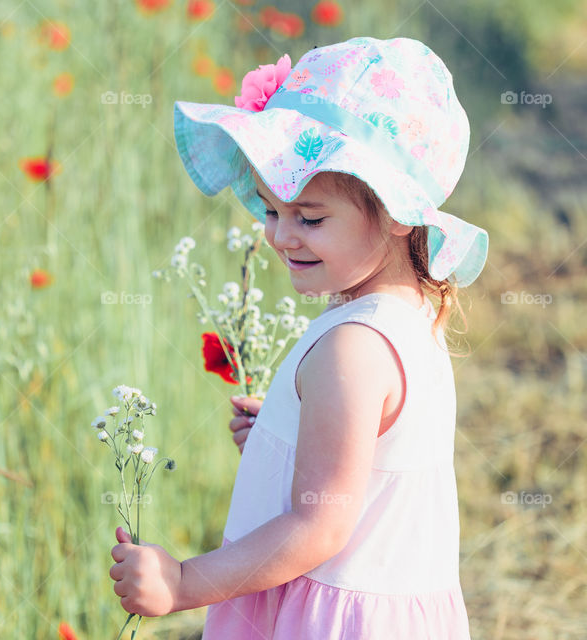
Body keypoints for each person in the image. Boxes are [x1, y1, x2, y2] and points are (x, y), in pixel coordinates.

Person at [108, 36, 488, 639]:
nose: (281, 236)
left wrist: (184, 581)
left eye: (309, 217)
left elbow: (320, 528)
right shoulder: (408, 316)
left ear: (395, 212)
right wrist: (287, 441)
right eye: (268, 210)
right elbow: (371, 471)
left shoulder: (353, 347)